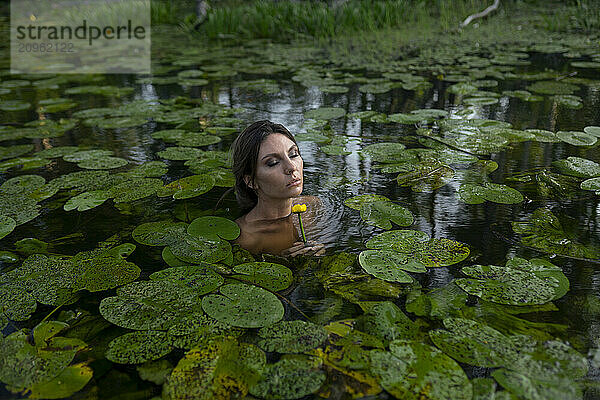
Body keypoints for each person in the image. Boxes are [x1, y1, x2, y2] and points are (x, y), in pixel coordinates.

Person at [231, 120, 325, 257]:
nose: (292, 167)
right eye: (273, 163)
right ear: (251, 181)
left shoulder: (313, 206)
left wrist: (321, 249)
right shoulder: (246, 238)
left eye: (293, 154)